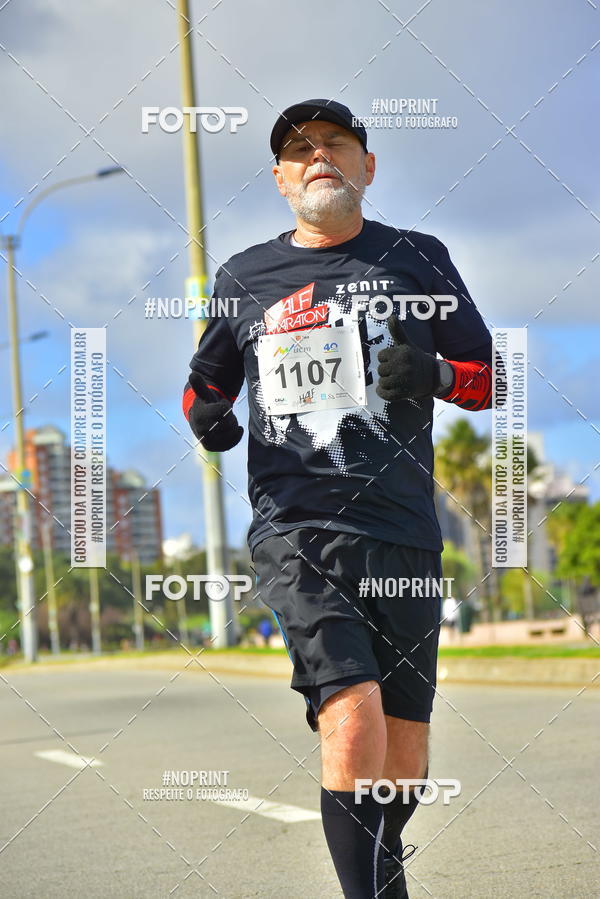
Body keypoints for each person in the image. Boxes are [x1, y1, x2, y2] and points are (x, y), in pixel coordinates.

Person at [182, 99, 493, 898]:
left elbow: (489, 380)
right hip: (298, 530)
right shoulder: (244, 278)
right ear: (282, 179)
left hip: (403, 533)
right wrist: (212, 424)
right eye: (299, 149)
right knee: (353, 717)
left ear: (368, 167)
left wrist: (436, 375)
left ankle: (382, 865)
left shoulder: (418, 259)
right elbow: (202, 389)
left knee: (406, 753)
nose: (317, 155)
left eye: (335, 143)